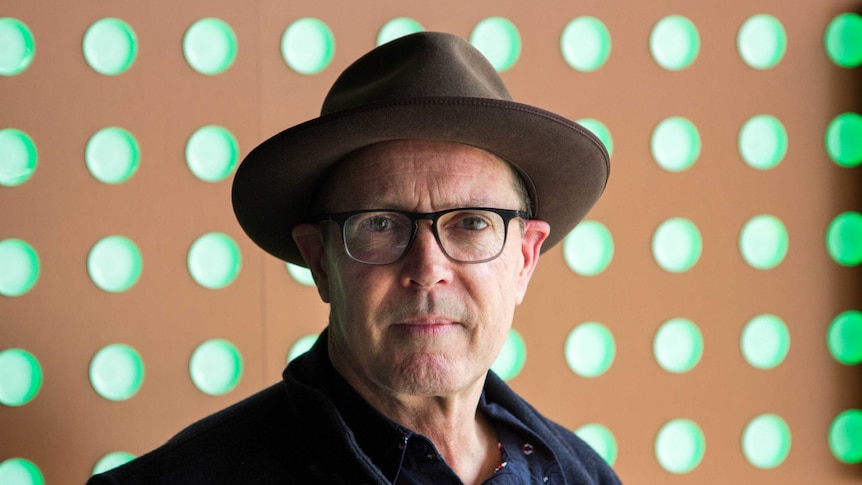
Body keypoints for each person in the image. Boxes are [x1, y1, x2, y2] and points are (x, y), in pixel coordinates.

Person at [88, 31, 619, 484]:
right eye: (381, 225)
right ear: (319, 262)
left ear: (525, 259)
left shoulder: (585, 475)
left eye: (472, 223)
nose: (428, 269)